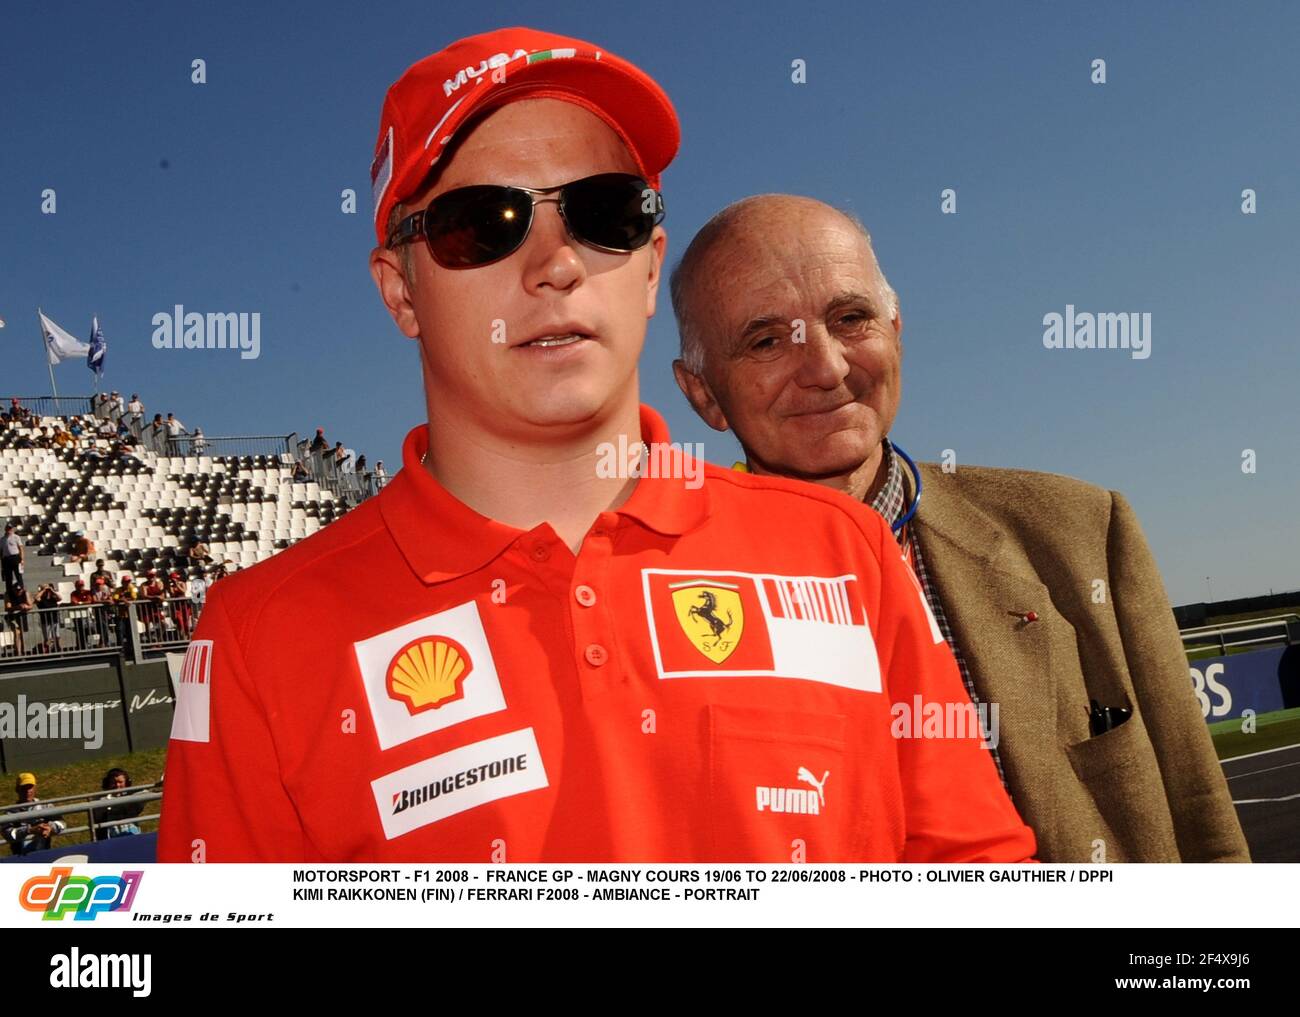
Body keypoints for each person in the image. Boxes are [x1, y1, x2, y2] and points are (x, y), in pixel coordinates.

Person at [159, 28, 1034, 865]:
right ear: (401, 291)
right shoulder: (253, 642)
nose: (557, 263)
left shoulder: (844, 553)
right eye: (481, 222)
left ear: (651, 265)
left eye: (603, 212)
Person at [669, 194, 1249, 863]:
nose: (825, 368)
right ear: (704, 394)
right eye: (766, 340)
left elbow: (1201, 817)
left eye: (850, 318)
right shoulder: (668, 603)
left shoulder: (1084, 531)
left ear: (896, 326)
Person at [2, 774, 66, 855]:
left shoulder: (45, 806)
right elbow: (7, 834)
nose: (28, 791)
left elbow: (62, 823)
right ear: (17, 789)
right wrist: (29, 830)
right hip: (20, 858)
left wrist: (50, 827)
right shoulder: (10, 812)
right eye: (24, 788)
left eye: (30, 787)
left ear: (35, 788)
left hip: (45, 854)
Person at [91, 768, 144, 839]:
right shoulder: (99, 799)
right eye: (114, 782)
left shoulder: (132, 795)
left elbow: (148, 792)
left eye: (120, 782)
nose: (117, 785)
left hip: (133, 834)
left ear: (127, 782)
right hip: (111, 837)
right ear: (108, 783)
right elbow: (98, 820)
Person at [4, 582, 32, 656]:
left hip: (22, 615)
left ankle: (23, 651)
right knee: (17, 633)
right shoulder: (8, 594)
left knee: (22, 633)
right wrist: (18, 607)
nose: (18, 592)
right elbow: (7, 608)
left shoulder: (25, 593)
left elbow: (30, 605)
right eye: (17, 590)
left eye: (20, 590)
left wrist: (25, 607)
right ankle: (18, 652)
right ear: (13, 589)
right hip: (12, 616)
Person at [34, 582, 61, 652]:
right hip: (45, 621)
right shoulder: (41, 598)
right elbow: (36, 598)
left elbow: (60, 598)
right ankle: (48, 651)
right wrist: (43, 590)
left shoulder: (53, 597)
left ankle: (57, 648)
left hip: (54, 619)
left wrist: (52, 590)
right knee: (48, 638)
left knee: (57, 636)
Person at [69, 578, 97, 648]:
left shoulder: (87, 592)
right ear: (76, 586)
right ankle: (80, 645)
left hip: (87, 614)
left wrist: (80, 603)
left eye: (82, 585)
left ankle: (88, 643)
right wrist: (82, 603)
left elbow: (89, 601)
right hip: (77, 615)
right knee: (79, 630)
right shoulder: (73, 593)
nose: (80, 587)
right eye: (79, 586)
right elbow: (74, 602)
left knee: (88, 629)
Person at [1, 523, 22, 593]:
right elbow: (1, 551)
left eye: (10, 529)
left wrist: (22, 559)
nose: (9, 530)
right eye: (7, 529)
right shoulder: (2, 539)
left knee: (18, 575)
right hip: (6, 559)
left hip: (15, 557)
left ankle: (21, 589)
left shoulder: (16, 537)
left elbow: (20, 548)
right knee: (8, 576)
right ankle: (9, 591)